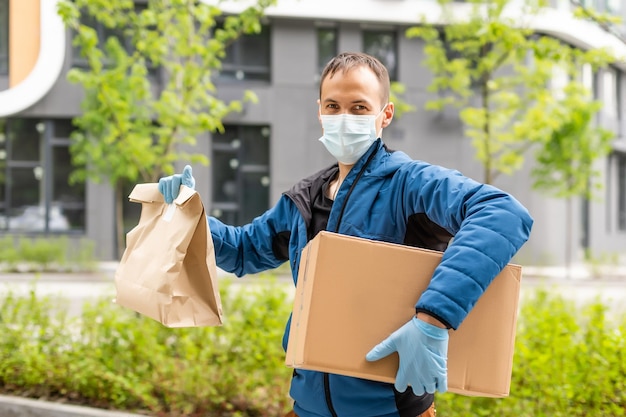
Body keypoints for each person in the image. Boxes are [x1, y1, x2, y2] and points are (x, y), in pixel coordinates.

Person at [158, 52, 533, 417]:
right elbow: (242, 251)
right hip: (307, 407)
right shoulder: (303, 199)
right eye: (333, 106)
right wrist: (191, 212)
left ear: (385, 114)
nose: (343, 117)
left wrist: (433, 320)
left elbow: (503, 213)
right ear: (319, 112)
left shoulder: (410, 185)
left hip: (388, 409)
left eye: (359, 107)